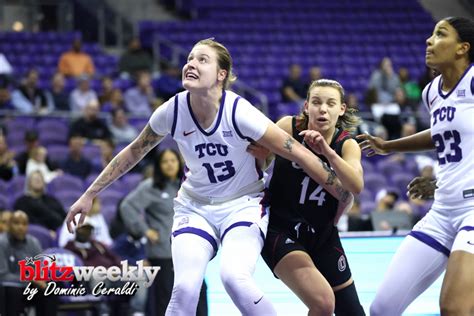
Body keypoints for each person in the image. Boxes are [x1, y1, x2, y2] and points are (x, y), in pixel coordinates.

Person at [65, 38, 353, 315]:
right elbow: (133, 152)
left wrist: (338, 188)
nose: (191, 63)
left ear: (220, 74)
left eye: (202, 59)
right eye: (190, 58)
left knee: (235, 279)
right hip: (195, 206)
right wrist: (89, 194)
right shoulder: (172, 110)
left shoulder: (240, 112)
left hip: (243, 205)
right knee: (185, 289)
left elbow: (297, 152)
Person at [358, 17, 474, 315]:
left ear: (463, 48)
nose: (428, 40)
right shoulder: (431, 92)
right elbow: (443, 134)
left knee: (454, 308)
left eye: (440, 34)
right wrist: (388, 145)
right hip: (443, 211)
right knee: (382, 308)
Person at [254, 79, 365, 315]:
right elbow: (260, 160)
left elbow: (356, 185)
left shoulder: (346, 144)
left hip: (322, 234)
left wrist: (328, 152)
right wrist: (261, 154)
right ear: (306, 106)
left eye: (330, 103)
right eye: (316, 102)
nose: (322, 109)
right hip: (280, 229)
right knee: (323, 304)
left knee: (353, 312)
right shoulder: (288, 127)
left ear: (341, 109)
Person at [121, 149, 208, 315]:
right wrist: (145, 231)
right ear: (159, 166)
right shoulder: (150, 186)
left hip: (188, 252)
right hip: (162, 252)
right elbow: (127, 207)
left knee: (199, 291)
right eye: (165, 161)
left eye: (173, 160)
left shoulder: (188, 184)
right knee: (166, 297)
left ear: (179, 163)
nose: (169, 164)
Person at [0, 210, 58, 315]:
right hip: (8, 290)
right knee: (12, 290)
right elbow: (2, 275)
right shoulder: (2, 243)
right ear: (9, 225)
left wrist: (39, 279)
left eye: (24, 224)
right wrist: (29, 278)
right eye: (16, 223)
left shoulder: (33, 242)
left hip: (29, 288)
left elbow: (40, 270)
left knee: (49, 289)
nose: (20, 227)